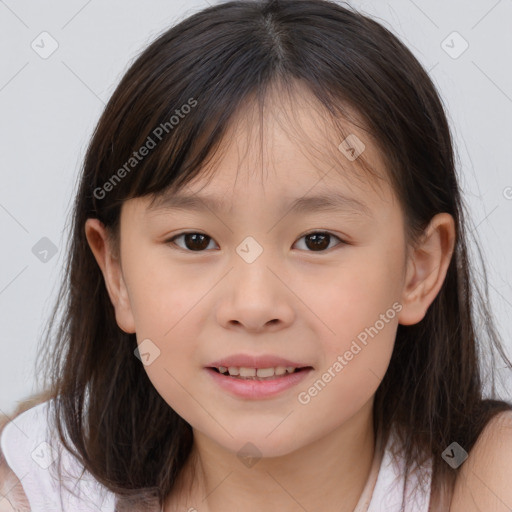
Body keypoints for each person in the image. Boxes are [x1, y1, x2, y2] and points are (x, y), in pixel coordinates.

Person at [1, 0, 512, 510]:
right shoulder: (35, 484)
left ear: (418, 270)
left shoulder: (486, 480)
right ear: (116, 272)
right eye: (194, 240)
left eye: (318, 240)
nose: (253, 305)